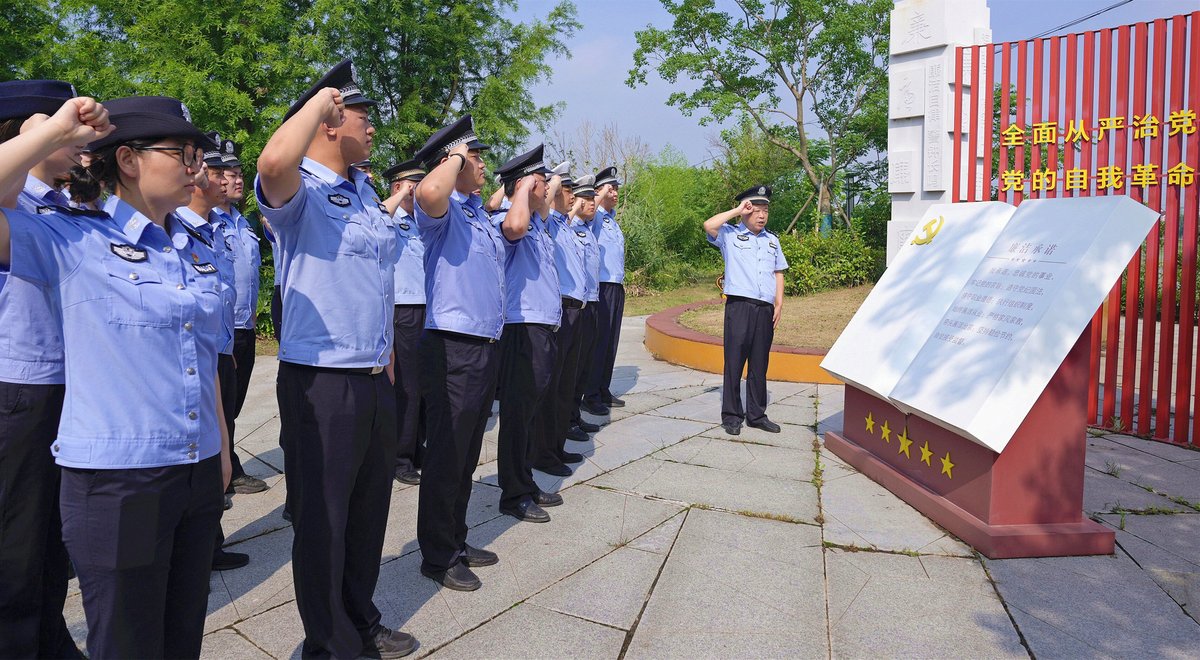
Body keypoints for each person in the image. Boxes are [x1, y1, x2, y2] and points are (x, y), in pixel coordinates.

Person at [0, 94, 232, 658]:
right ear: (128, 160)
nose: (196, 167)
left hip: (196, 470)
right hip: (118, 481)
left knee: (182, 637)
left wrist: (222, 449)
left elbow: (203, 360)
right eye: (183, 153)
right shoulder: (70, 239)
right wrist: (55, 130)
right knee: (127, 641)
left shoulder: (191, 246)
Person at [255, 59, 415, 659]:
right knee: (323, 523)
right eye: (362, 117)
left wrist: (387, 357)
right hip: (321, 381)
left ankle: (360, 617)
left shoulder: (363, 192)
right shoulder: (299, 193)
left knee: (369, 513)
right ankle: (327, 644)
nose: (372, 129)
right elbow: (271, 164)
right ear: (329, 120)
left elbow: (372, 281)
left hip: (371, 377)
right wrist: (314, 103)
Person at [412, 114, 524, 592]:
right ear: (451, 162)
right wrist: (455, 154)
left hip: (484, 343)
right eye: (475, 157)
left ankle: (455, 538)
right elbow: (429, 194)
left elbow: (515, 225)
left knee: (467, 450)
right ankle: (437, 555)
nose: (483, 164)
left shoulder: (478, 213)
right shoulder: (444, 209)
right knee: (447, 452)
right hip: (451, 344)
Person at [0, 79, 84, 660]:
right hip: (20, 392)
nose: (79, 141)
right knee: (17, 542)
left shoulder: (66, 205)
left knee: (56, 540)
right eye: (64, 128)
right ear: (31, 127)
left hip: (67, 387)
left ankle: (48, 638)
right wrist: (50, 131)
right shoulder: (13, 204)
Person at [176, 139, 252, 572]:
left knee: (217, 444)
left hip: (223, 348)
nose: (219, 175)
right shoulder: (179, 228)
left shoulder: (214, 228)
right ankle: (200, 546)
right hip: (201, 355)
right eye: (207, 166)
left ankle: (210, 542)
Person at [492, 144, 567, 520]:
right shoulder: (509, 219)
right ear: (523, 186)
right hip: (521, 329)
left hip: (541, 327)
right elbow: (513, 226)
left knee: (531, 412)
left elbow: (551, 199)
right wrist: (522, 188)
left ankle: (525, 480)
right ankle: (513, 494)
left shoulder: (539, 223)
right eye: (542, 181)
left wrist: (538, 187)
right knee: (518, 414)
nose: (548, 188)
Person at [703, 185, 788, 435]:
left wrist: (779, 302)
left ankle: (756, 414)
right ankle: (731, 415)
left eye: (765, 211)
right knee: (734, 362)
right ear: (745, 211)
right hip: (739, 306)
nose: (762, 215)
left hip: (765, 308)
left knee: (759, 363)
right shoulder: (729, 235)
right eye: (756, 210)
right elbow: (709, 225)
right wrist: (738, 209)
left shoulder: (772, 240)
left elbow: (778, 271)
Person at [532, 167, 594, 478]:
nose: (572, 195)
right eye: (567, 189)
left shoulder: (566, 226)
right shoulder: (547, 223)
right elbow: (542, 203)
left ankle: (555, 447)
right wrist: (553, 182)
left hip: (576, 311)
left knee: (565, 386)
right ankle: (543, 452)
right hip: (560, 310)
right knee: (552, 387)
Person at [215, 138, 267, 494]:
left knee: (235, 403)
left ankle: (227, 463)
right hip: (225, 328)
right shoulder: (207, 222)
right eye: (230, 175)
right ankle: (227, 471)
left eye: (240, 174)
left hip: (245, 326)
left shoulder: (243, 222)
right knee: (222, 404)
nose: (237, 181)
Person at [381, 158, 427, 485]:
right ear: (399, 186)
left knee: (424, 385)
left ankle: (416, 447)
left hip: (426, 308)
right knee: (407, 387)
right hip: (404, 308)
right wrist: (401, 194)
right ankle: (400, 458)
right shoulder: (388, 217)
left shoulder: (420, 220)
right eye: (414, 185)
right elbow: (376, 217)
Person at [582, 165, 627, 415]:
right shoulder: (595, 215)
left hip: (615, 286)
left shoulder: (611, 220)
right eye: (611, 188)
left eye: (617, 188)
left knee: (610, 341)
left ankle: (603, 388)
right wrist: (598, 192)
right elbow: (588, 214)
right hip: (600, 286)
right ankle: (590, 394)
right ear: (598, 191)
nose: (616, 192)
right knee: (598, 343)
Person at [568, 175, 602, 439]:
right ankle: (566, 420)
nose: (593, 204)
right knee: (571, 367)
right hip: (575, 304)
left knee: (583, 364)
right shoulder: (567, 227)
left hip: (591, 301)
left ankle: (574, 415)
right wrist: (574, 210)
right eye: (587, 199)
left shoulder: (589, 230)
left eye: (593, 199)